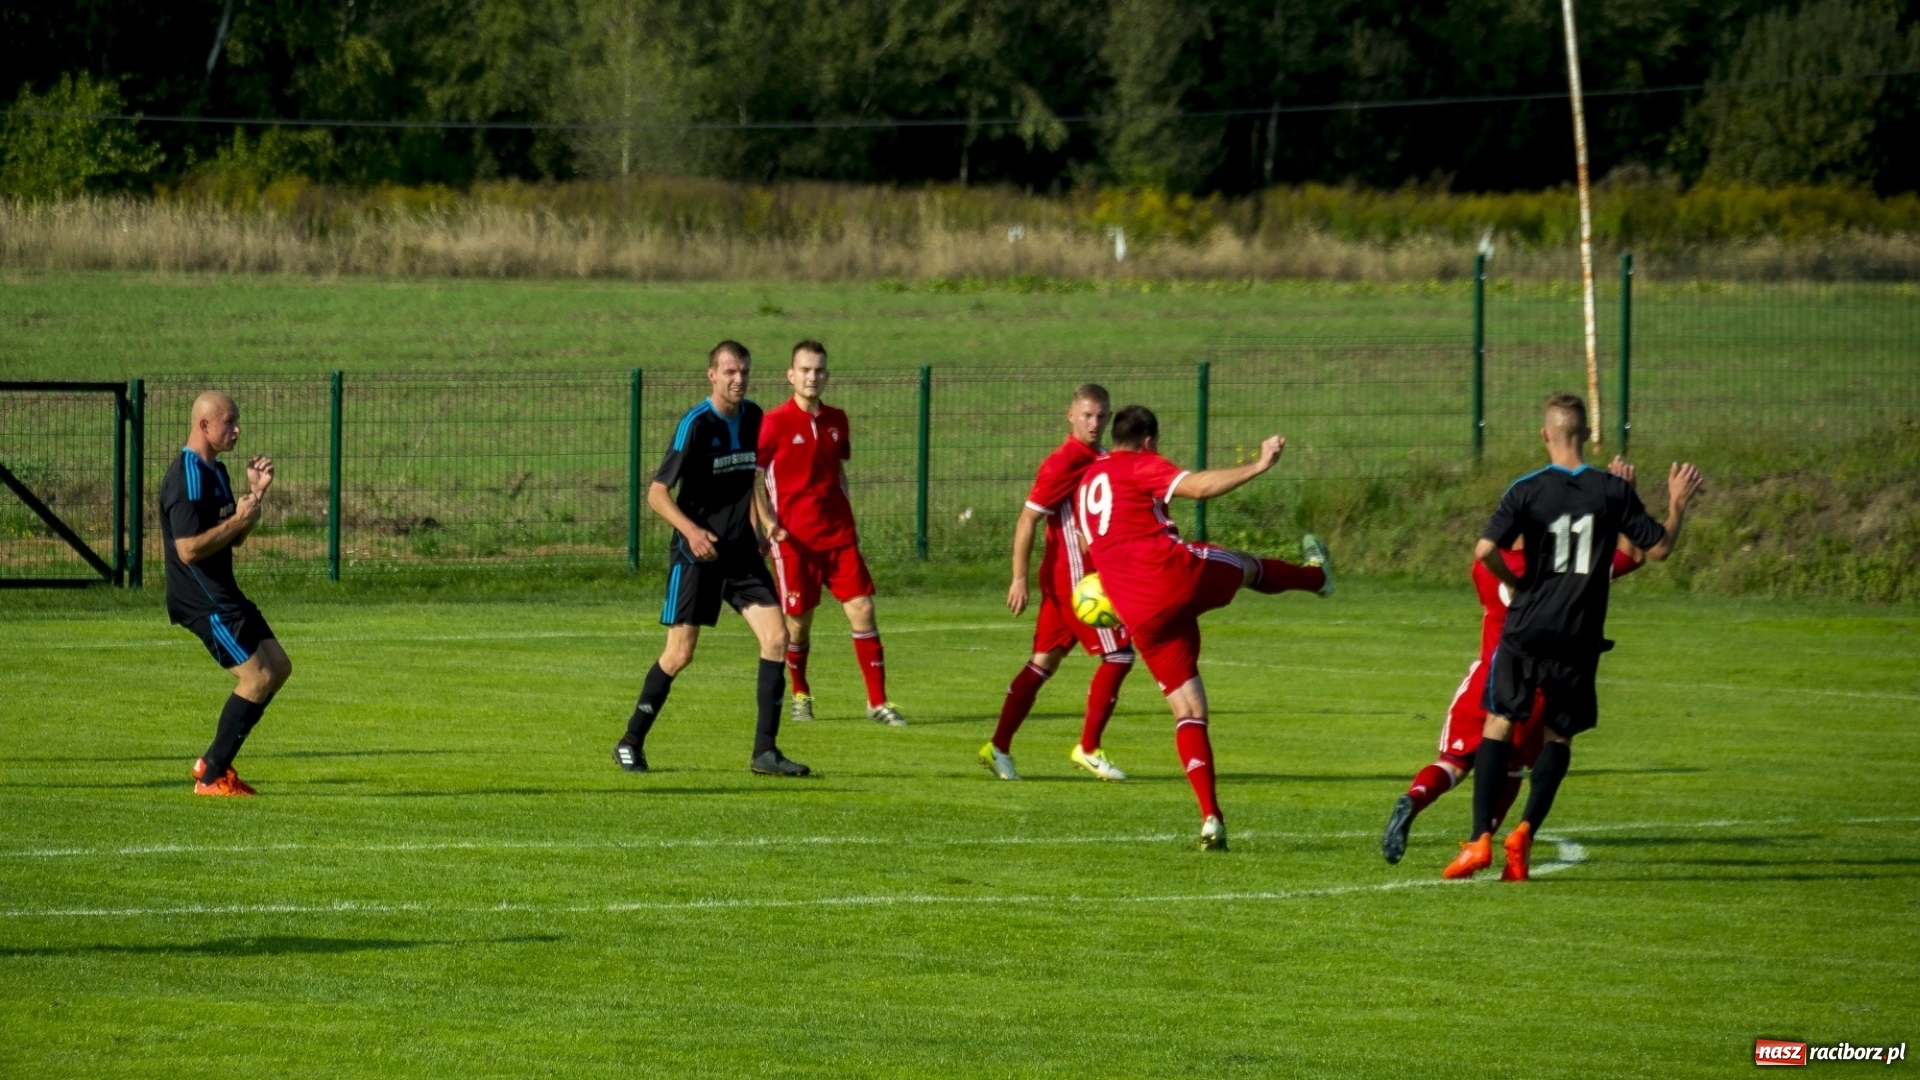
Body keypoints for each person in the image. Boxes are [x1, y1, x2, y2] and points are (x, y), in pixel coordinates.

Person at [1444, 393, 1702, 881]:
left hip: (1526, 628)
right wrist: (1676, 503)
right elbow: (1658, 550)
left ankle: (1479, 840)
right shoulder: (1611, 490)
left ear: (1545, 434)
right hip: (1578, 635)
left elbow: (1484, 550)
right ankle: (1524, 832)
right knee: (1557, 735)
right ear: (1586, 434)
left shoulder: (1527, 489)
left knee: (1498, 722)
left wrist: (1520, 585)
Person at [1077, 405, 1331, 850]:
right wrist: (1259, 464)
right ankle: (1318, 577)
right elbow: (1196, 488)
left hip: (1138, 613)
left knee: (1189, 710)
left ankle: (1211, 817)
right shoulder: (1141, 463)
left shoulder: (1086, 483)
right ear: (1150, 440)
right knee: (1249, 567)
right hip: (1174, 575)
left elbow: (1088, 542)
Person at [1379, 458, 1649, 864]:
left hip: (1490, 678)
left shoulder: (1484, 569)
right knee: (1512, 769)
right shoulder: (1565, 572)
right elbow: (1633, 555)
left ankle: (1415, 799)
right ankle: (1485, 837)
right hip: (1544, 685)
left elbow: (1492, 557)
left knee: (1453, 761)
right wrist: (1625, 497)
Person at [613, 341, 809, 778]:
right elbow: (657, 493)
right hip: (696, 557)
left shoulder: (755, 417)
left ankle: (765, 752)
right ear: (712, 375)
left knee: (777, 638)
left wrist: (763, 524)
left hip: (740, 554)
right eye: (729, 372)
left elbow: (750, 481)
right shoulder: (695, 425)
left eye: (744, 372)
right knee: (680, 654)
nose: (738, 379)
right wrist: (692, 531)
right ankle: (630, 741)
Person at [983, 383, 1135, 782]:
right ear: (1071, 416)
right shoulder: (1063, 461)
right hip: (1074, 579)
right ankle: (1088, 748)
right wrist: (1018, 578)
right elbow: (1027, 519)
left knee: (1042, 664)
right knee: (1119, 654)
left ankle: (997, 747)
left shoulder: (1101, 456)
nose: (1094, 423)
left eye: (1102, 416)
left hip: (1074, 577)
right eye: (1087, 415)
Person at [756, 340, 908, 727]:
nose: (812, 376)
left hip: (839, 538)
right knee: (798, 624)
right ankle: (801, 694)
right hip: (795, 543)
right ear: (790, 375)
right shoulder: (773, 423)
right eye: (805, 370)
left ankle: (878, 702)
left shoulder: (838, 419)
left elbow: (837, 470)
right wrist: (768, 525)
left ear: (827, 375)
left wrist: (847, 511)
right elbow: (752, 481)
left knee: (863, 609)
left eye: (819, 370)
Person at [159, 391, 292, 797]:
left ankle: (211, 760)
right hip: (201, 597)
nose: (237, 430)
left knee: (279, 668)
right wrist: (237, 520)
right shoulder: (186, 477)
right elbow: (188, 549)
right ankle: (213, 776)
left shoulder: (216, 471)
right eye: (229, 422)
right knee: (257, 678)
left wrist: (256, 497)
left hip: (224, 591)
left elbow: (233, 539)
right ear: (203, 426)